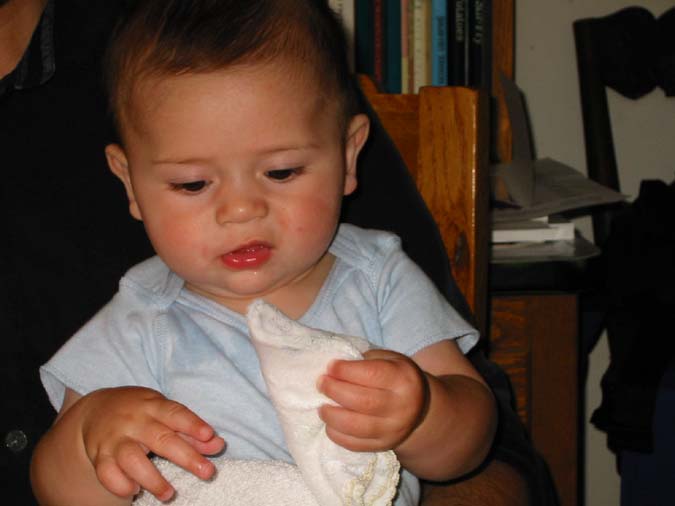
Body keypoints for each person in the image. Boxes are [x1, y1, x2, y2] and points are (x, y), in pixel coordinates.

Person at [2, 0, 550, 504]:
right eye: (192, 184)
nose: (241, 210)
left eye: (282, 172)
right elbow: (55, 490)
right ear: (130, 185)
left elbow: (469, 448)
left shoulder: (378, 279)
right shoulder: (138, 320)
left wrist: (423, 413)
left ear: (349, 155)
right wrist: (89, 435)